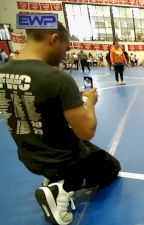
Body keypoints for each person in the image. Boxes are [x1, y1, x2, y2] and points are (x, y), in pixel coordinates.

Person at [0, 21, 120, 225]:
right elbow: (86, 131)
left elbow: (36, 104)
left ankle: (52, 179)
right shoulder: (56, 78)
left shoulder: (4, 71)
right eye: (65, 48)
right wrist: (89, 103)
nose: (65, 55)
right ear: (53, 39)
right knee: (111, 167)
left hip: (30, 157)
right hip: (64, 157)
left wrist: (70, 99)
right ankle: (62, 189)